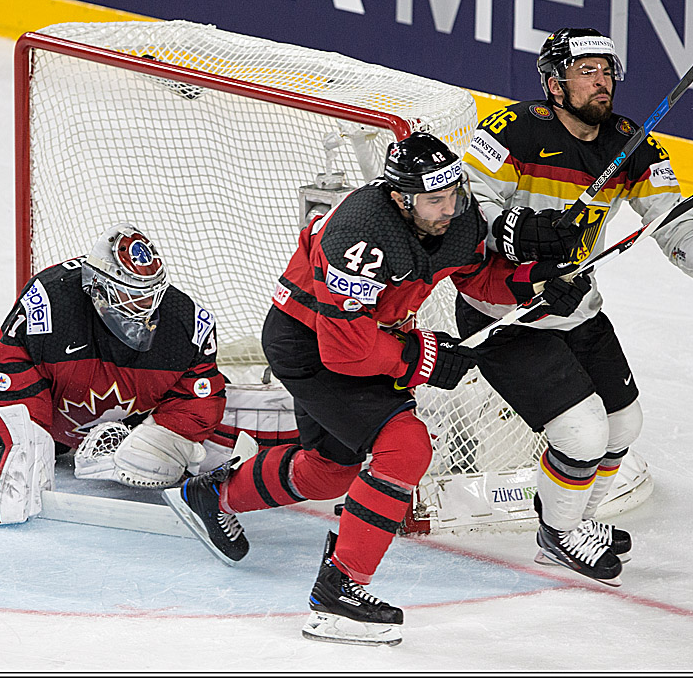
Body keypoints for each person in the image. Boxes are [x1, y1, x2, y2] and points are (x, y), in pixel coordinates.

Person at [162, 132, 590, 646]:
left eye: (453, 194)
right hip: (308, 343)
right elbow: (344, 352)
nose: (449, 209)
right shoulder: (360, 234)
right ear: (399, 197)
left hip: (363, 338)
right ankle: (338, 595)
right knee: (405, 445)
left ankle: (215, 495)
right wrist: (425, 359)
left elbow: (476, 277)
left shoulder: (454, 214)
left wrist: (536, 282)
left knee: (329, 472)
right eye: (435, 201)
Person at [458, 28, 693, 586]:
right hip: (505, 312)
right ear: (554, 82)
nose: (601, 80)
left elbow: (671, 218)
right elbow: (465, 207)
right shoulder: (511, 130)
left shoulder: (632, 142)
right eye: (586, 71)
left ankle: (576, 519)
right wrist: (520, 232)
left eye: (606, 70)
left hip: (575, 305)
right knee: (582, 435)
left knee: (622, 423)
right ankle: (557, 536)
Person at [0, 224, 226, 526]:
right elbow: (7, 391)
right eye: (129, 296)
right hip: (55, 431)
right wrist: (22, 449)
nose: (142, 309)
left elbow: (196, 401)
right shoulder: (49, 305)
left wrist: (166, 438)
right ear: (96, 285)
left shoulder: (188, 325)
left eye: (150, 297)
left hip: (126, 429)